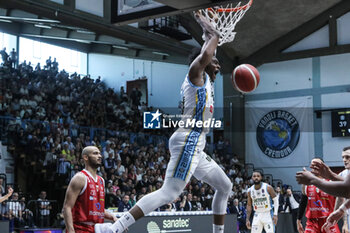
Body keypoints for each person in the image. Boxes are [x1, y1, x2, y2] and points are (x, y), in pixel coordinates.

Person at [108, 10, 231, 233]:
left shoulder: (208, 83)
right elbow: (206, 51)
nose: (218, 65)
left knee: (225, 186)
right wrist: (207, 27)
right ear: (203, 62)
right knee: (169, 193)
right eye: (215, 61)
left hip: (195, 142)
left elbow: (207, 48)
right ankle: (115, 228)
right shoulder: (195, 75)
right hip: (189, 139)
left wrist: (207, 34)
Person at [62, 146, 117, 233]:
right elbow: (67, 207)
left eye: (99, 153)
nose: (100, 156)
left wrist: (112, 217)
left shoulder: (101, 180)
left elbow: (97, 209)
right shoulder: (80, 178)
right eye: (95, 153)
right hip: (80, 229)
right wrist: (71, 230)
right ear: (85, 157)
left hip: (97, 229)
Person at [296, 158, 340, 233]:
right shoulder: (307, 183)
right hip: (312, 222)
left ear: (323, 166)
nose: (314, 167)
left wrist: (343, 220)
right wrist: (298, 219)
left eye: (316, 165)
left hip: (328, 221)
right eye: (312, 165)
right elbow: (303, 201)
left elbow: (341, 199)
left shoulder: (331, 181)